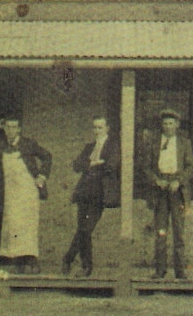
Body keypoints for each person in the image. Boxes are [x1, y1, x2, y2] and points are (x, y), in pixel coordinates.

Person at [62, 116, 121, 278]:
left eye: (100, 127)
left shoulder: (113, 146)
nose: (97, 131)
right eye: (95, 127)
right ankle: (68, 259)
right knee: (82, 228)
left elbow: (111, 166)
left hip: (100, 193)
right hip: (84, 192)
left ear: (107, 128)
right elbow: (76, 165)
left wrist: (92, 165)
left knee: (87, 229)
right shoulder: (89, 147)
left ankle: (86, 265)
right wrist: (94, 163)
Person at [0, 116, 52, 274]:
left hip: (27, 190)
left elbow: (47, 156)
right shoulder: (0, 145)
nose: (11, 130)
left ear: (19, 129)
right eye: (8, 127)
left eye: (14, 127)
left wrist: (42, 176)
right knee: (13, 224)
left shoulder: (28, 143)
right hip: (10, 192)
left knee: (28, 225)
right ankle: (18, 262)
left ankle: (32, 261)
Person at [143, 109, 193, 280]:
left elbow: (190, 167)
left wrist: (178, 181)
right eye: (165, 123)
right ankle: (160, 270)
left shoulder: (184, 142)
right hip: (160, 190)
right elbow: (146, 167)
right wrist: (157, 181)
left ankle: (180, 271)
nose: (167, 126)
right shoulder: (153, 142)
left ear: (177, 125)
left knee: (179, 232)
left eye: (171, 123)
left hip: (177, 190)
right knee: (161, 231)